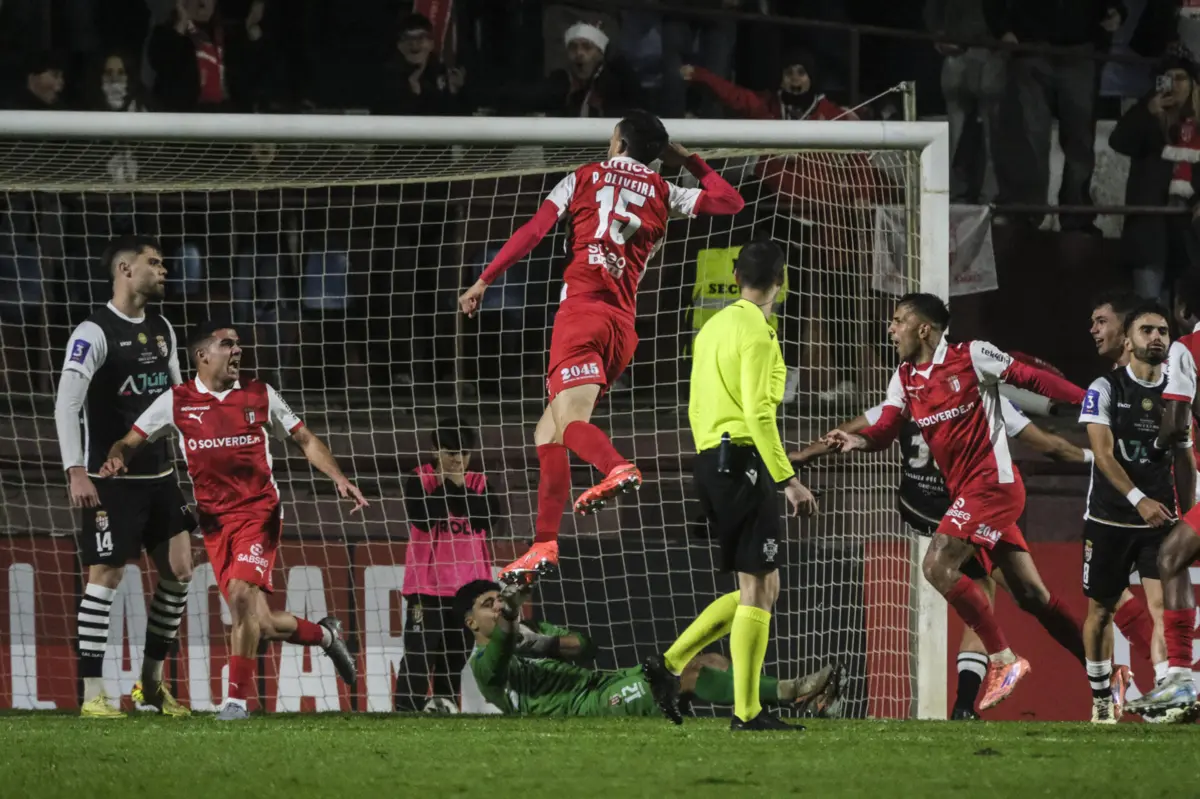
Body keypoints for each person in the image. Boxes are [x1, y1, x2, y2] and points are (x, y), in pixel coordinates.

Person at [457, 110, 745, 582]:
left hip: (581, 314)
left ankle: (615, 467)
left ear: (619, 142)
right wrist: (687, 159)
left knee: (569, 422)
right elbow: (730, 202)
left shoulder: (582, 177)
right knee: (547, 433)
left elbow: (534, 231)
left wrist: (484, 279)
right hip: (622, 328)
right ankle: (544, 544)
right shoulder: (664, 190)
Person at [821, 293, 1088, 710]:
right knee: (1033, 596)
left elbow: (1029, 379)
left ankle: (1003, 659)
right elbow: (888, 428)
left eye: (897, 321)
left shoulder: (972, 355)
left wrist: (1088, 399)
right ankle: (1102, 669)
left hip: (993, 486)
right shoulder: (905, 377)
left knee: (935, 565)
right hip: (969, 495)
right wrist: (856, 439)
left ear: (922, 328)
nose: (890, 330)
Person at [97, 320, 365, 720]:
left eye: (238, 344)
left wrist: (339, 477)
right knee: (259, 622)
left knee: (240, 596)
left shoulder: (260, 394)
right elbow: (130, 440)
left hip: (259, 512)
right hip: (214, 524)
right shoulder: (177, 401)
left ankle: (236, 702)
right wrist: (118, 455)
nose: (237, 351)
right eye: (227, 345)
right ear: (203, 355)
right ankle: (326, 635)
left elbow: (304, 439)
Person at [792, 393, 1090, 719]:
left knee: (1016, 595)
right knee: (1002, 592)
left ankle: (970, 703)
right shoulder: (976, 395)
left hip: (929, 507)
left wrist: (805, 455)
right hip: (962, 509)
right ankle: (988, 684)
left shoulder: (911, 396)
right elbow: (1051, 446)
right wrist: (1096, 456)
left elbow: (858, 426)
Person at [640, 240, 817, 731]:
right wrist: (789, 480)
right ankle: (745, 711)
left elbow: (698, 403)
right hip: (742, 460)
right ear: (781, 282)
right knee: (758, 585)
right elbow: (760, 415)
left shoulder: (713, 327)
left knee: (761, 585)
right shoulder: (759, 335)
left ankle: (672, 664)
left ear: (736, 276)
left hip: (711, 457)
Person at [54, 235, 194, 718]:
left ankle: (150, 687)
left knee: (179, 572)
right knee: (106, 577)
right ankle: (93, 693)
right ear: (124, 270)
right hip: (108, 481)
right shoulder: (92, 332)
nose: (163, 270)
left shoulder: (162, 329)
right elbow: (66, 405)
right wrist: (76, 471)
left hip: (160, 474)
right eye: (153, 262)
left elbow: (179, 398)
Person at [455, 578, 840, 718]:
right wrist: (509, 617)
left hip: (605, 686)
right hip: (583, 712)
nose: (496, 607)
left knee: (710, 658)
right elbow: (501, 650)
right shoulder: (483, 667)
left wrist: (542, 642)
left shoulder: (531, 629)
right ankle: (793, 690)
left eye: (498, 599)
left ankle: (792, 702)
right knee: (690, 675)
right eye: (486, 605)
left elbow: (586, 648)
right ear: (472, 623)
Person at [1078, 302, 1181, 723]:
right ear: (1129, 340)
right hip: (1109, 519)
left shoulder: (1179, 390)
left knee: (1161, 609)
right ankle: (1102, 697)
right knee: (1100, 613)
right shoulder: (1104, 388)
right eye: (1146, 331)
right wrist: (1139, 498)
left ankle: (1162, 697)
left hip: (1159, 522)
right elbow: (1103, 455)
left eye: (1162, 331)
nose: (1156, 337)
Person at [1124, 282, 1200, 722]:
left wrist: (1153, 445)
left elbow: (1175, 424)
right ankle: (1179, 678)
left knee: (1170, 556)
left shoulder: (1187, 350)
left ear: (1184, 308)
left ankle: (1180, 678)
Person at [397, 417, 504, 712]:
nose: (458, 459)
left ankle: (444, 707)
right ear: (436, 451)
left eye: (464, 453)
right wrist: (450, 486)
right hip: (426, 588)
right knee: (418, 656)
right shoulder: (418, 479)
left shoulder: (480, 483)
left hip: (467, 591)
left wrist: (458, 487)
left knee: (453, 658)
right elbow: (422, 516)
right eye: (451, 452)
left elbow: (485, 519)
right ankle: (405, 712)